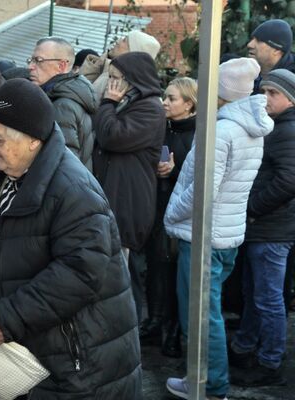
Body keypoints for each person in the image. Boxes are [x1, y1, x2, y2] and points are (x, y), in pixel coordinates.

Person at [0, 79, 142, 398]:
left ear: (34, 140)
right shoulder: (6, 174)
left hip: (76, 361)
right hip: (36, 353)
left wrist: (11, 317)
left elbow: (79, 272)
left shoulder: (74, 190)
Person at [164, 57, 273, 400]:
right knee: (207, 311)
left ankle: (210, 384)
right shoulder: (247, 127)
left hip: (204, 237)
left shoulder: (222, 130)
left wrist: (172, 214)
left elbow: (202, 192)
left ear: (220, 92)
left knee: (199, 314)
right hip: (225, 235)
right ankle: (207, 381)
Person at [228, 69, 295, 387]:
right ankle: (244, 346)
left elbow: (288, 181)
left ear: (291, 100)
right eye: (263, 91)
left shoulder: (288, 130)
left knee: (268, 297)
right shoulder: (274, 127)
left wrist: (251, 209)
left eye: (274, 93)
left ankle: (270, 362)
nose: (265, 98)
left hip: (272, 230)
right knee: (254, 292)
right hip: (263, 228)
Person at [92, 51, 166, 322]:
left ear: (132, 80)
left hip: (128, 203)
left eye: (115, 78)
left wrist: (108, 104)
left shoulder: (149, 109)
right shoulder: (131, 104)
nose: (110, 84)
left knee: (120, 278)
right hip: (116, 197)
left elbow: (112, 136)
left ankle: (126, 328)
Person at [140, 77, 198, 359]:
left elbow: (196, 178)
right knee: (155, 268)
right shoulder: (163, 128)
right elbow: (159, 156)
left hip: (182, 216)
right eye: (165, 96)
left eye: (172, 98)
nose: (165, 101)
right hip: (157, 208)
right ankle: (154, 322)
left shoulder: (200, 134)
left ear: (189, 104)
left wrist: (173, 172)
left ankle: (173, 330)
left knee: (174, 272)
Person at [28, 37, 97, 170]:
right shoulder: (60, 96)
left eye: (38, 61)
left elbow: (64, 165)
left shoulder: (62, 105)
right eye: (31, 60)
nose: (30, 66)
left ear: (62, 66)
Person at [79, 30, 160, 101]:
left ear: (133, 53)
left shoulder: (119, 84)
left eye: (124, 40)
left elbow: (83, 99)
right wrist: (99, 63)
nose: (118, 41)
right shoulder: (108, 70)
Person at [247, 19, 295, 92]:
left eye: (259, 40)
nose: (250, 45)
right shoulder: (245, 73)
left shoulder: (292, 82)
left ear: (276, 50)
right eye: (252, 39)